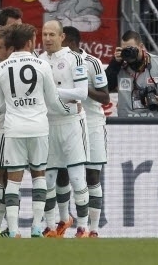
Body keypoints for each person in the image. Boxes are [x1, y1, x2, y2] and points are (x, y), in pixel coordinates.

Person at [0, 24, 71, 239]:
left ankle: (13, 230)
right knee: (39, 177)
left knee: (13, 181)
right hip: (39, 128)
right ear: (30, 43)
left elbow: (0, 105)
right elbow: (53, 101)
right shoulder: (42, 65)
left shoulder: (2, 68)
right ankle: (35, 228)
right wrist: (70, 109)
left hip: (14, 128)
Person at [36, 20, 91, 238]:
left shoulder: (75, 59)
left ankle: (83, 228)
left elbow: (82, 93)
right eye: (44, 34)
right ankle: (50, 227)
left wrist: (52, 93)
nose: (47, 39)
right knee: (48, 179)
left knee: (77, 178)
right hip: (48, 125)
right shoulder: (38, 61)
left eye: (52, 34)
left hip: (71, 124)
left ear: (62, 37)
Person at [65, 26, 109, 238]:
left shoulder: (93, 63)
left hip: (91, 123)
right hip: (67, 123)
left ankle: (93, 228)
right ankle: (64, 222)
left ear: (71, 43)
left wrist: (81, 90)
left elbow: (105, 97)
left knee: (92, 176)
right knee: (64, 176)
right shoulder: (56, 62)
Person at [106, 30, 158, 118]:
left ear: (141, 47)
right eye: (125, 50)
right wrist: (114, 63)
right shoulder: (118, 66)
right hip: (127, 125)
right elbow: (105, 88)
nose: (129, 53)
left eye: (131, 49)